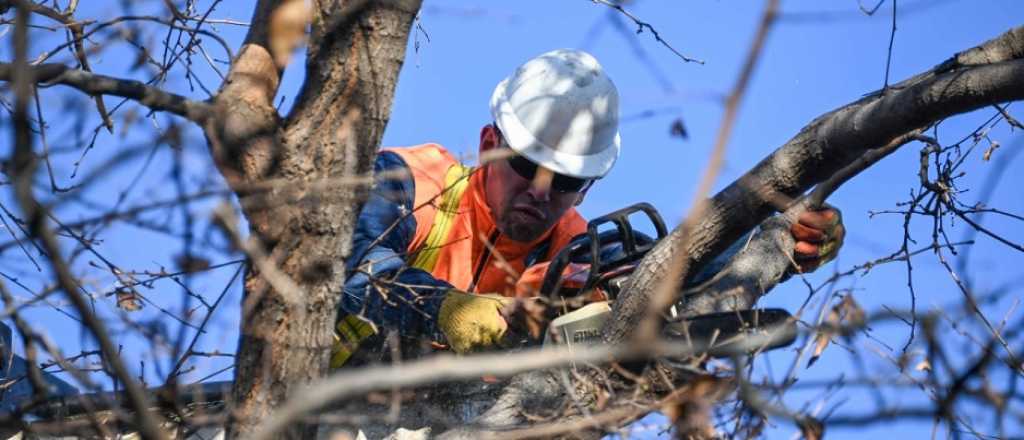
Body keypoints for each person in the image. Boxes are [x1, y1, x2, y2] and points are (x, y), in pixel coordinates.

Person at [331, 49, 844, 368]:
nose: (541, 191)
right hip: (323, 403)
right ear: (490, 143)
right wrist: (443, 310)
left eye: (566, 181)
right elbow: (351, 268)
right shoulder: (414, 180)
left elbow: (675, 256)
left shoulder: (576, 248)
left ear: (588, 187)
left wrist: (777, 229)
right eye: (527, 167)